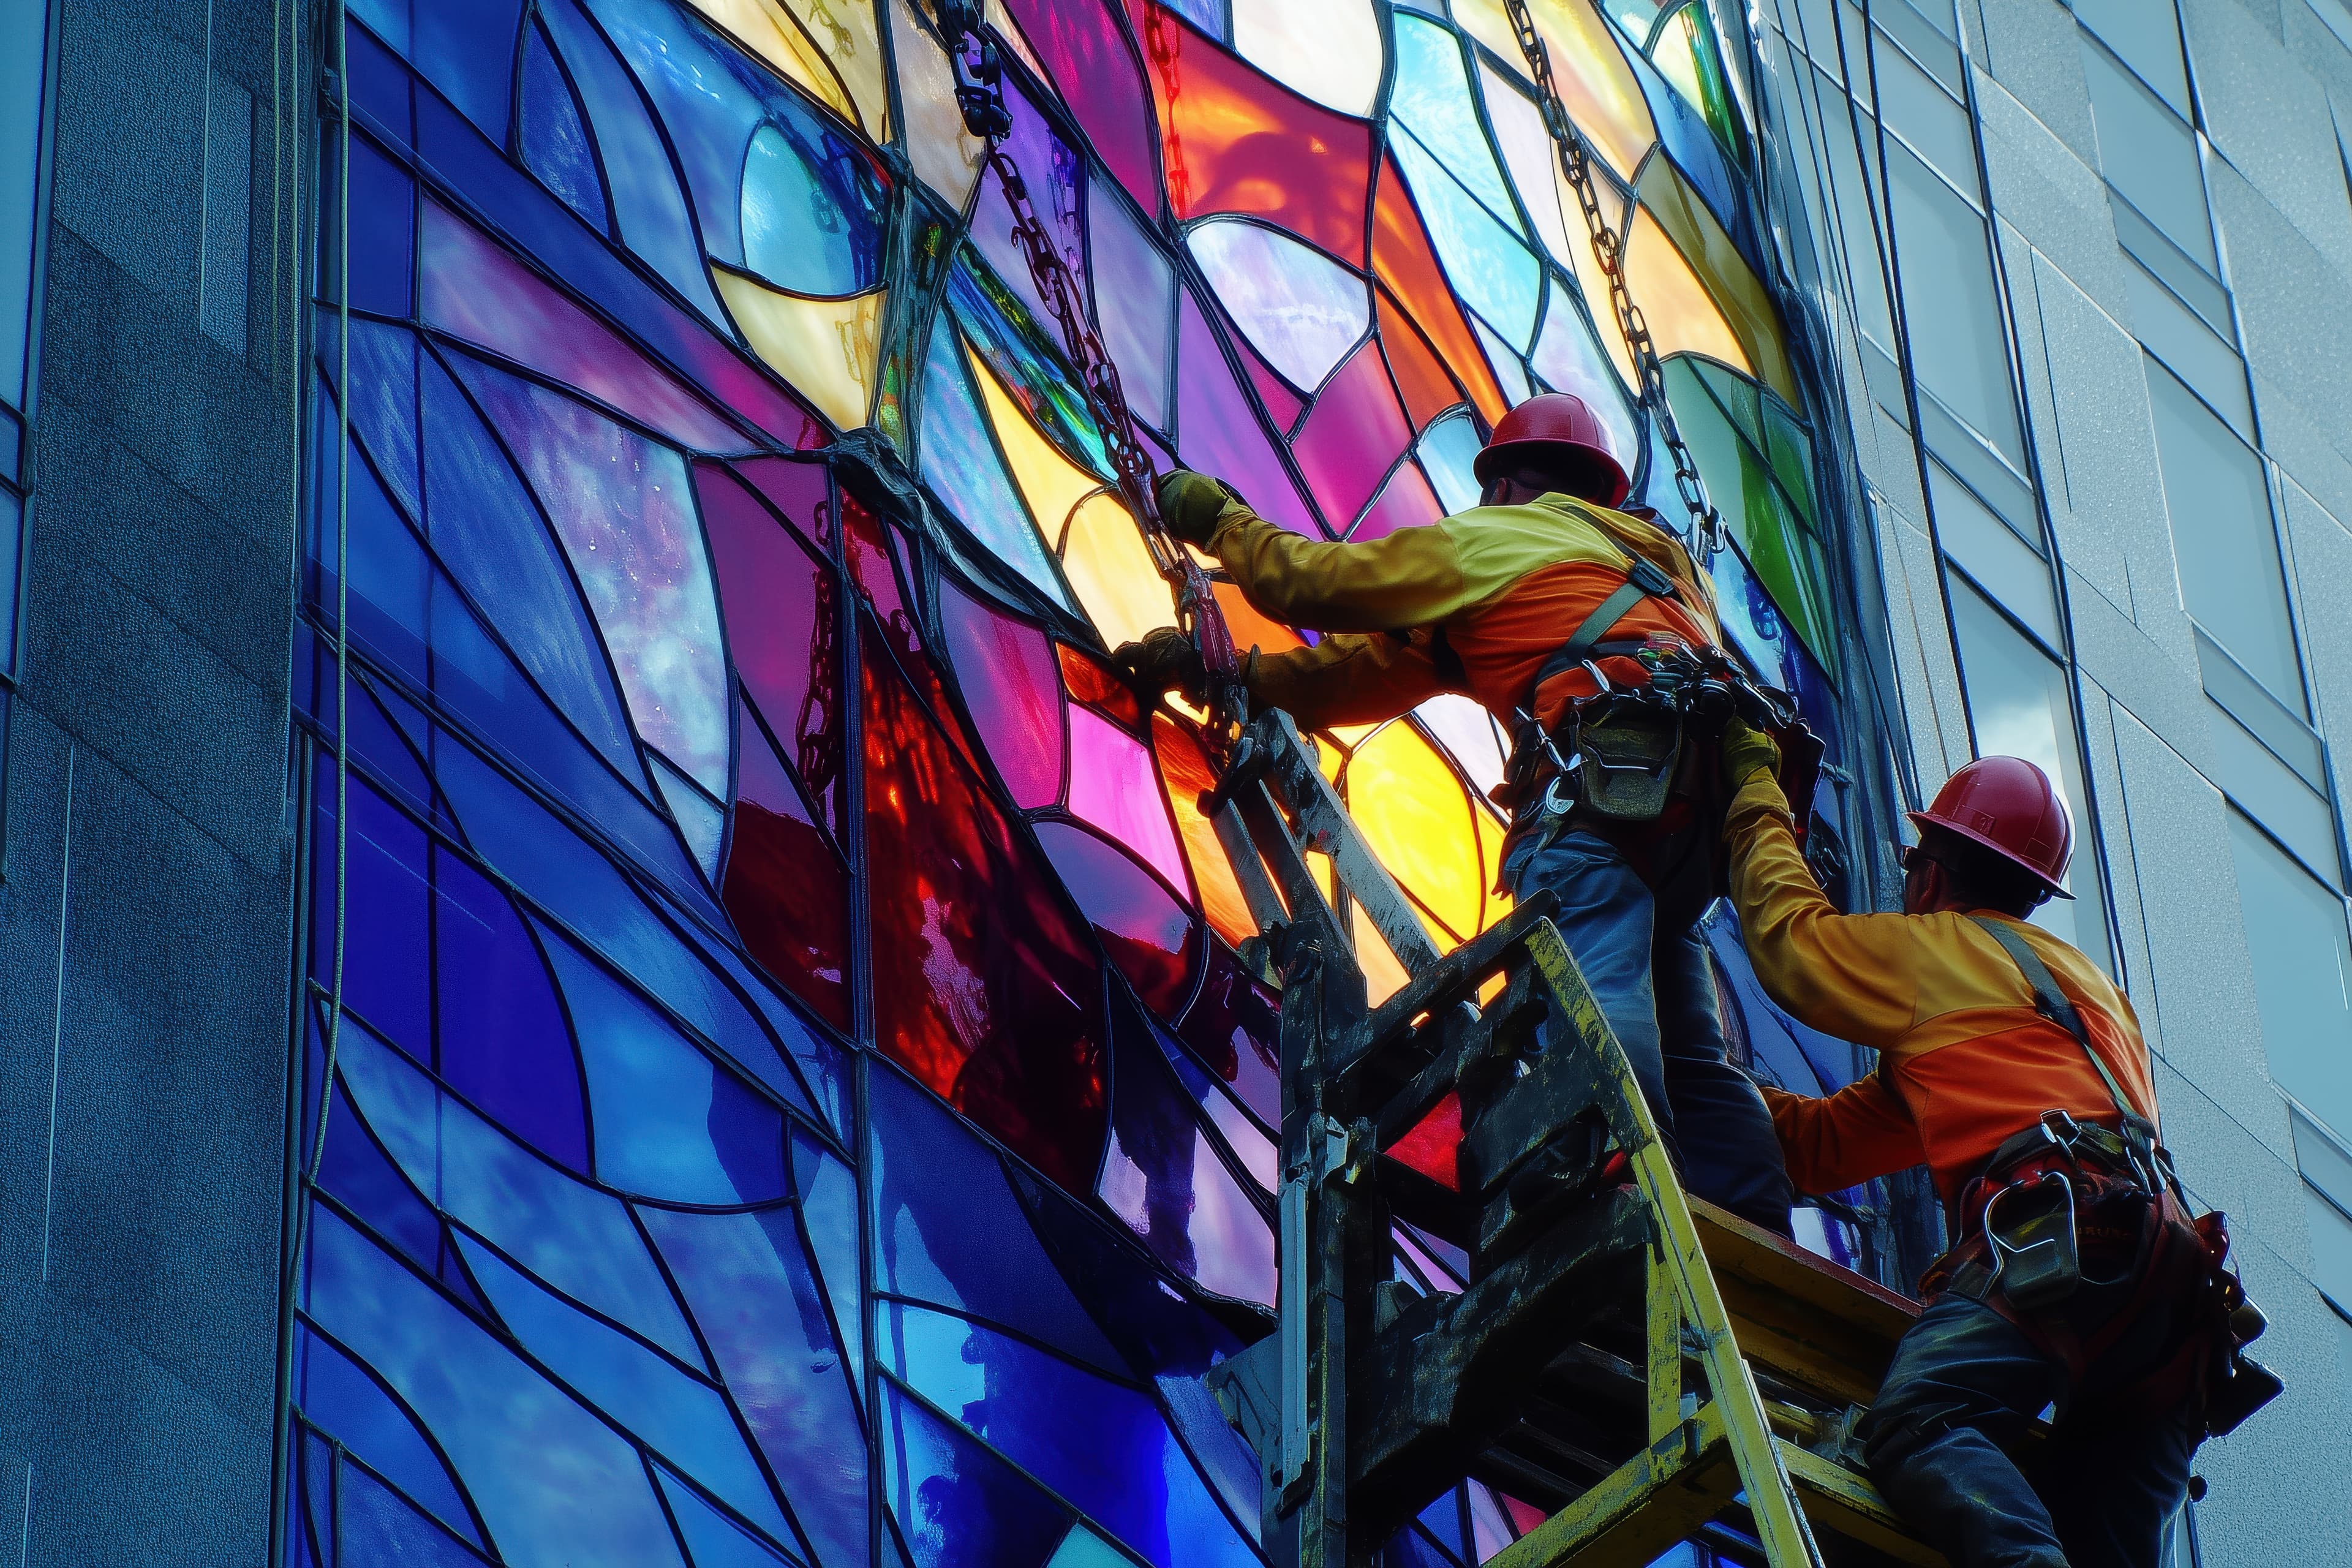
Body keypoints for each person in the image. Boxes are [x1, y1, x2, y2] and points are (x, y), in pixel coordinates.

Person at [1114, 393, 1795, 1235]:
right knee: (1692, 1043)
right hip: (1698, 818)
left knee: (1587, 987)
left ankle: (1610, 1184)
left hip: (1604, 793)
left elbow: (1317, 584)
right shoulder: (1648, 565)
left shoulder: (1505, 537)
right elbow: (1355, 679)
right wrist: (1239, 674)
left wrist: (1219, 520)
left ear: (1505, 484)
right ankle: (1756, 1227)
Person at [1716, 726, 2215, 1567]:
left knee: (1921, 1422)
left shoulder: (1941, 955)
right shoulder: (2079, 997)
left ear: (1932, 874)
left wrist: (1755, 799)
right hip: (2171, 1293)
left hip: (2065, 1247)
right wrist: (1715, 1089)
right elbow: (1822, 1148)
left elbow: (1792, 949)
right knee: (2101, 1543)